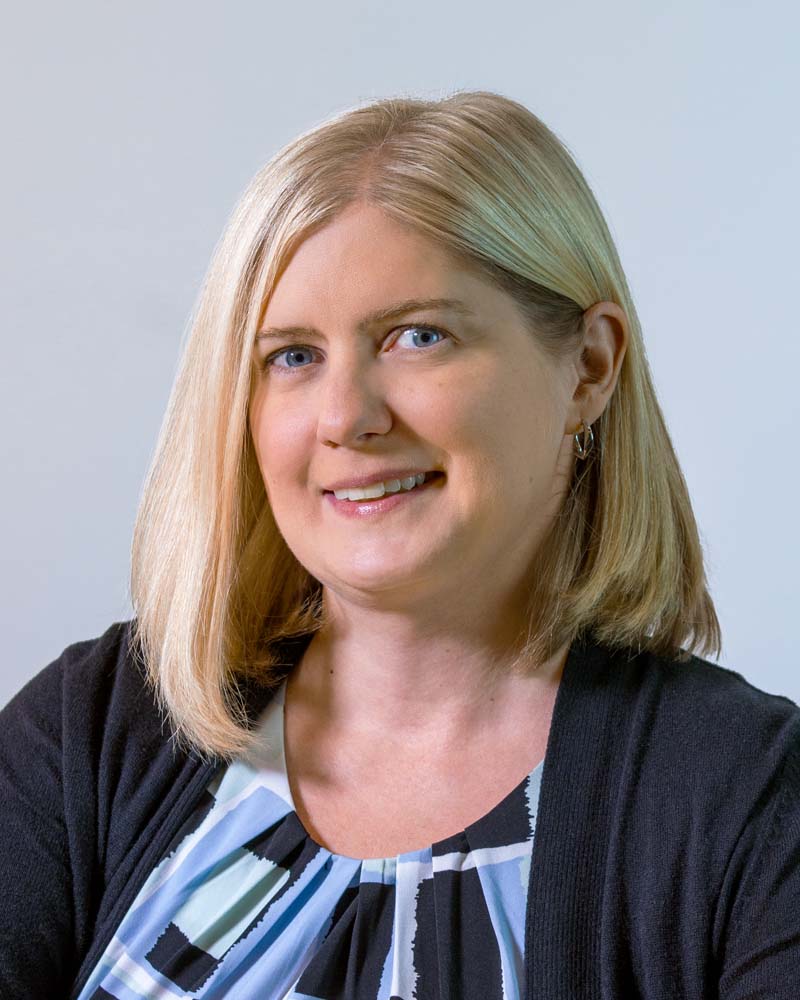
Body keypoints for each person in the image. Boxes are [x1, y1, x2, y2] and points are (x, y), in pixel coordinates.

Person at [1, 89, 798, 1000]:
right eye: (292, 356)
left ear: (588, 367)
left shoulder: (748, 798)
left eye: (418, 337)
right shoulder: (99, 727)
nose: (346, 417)